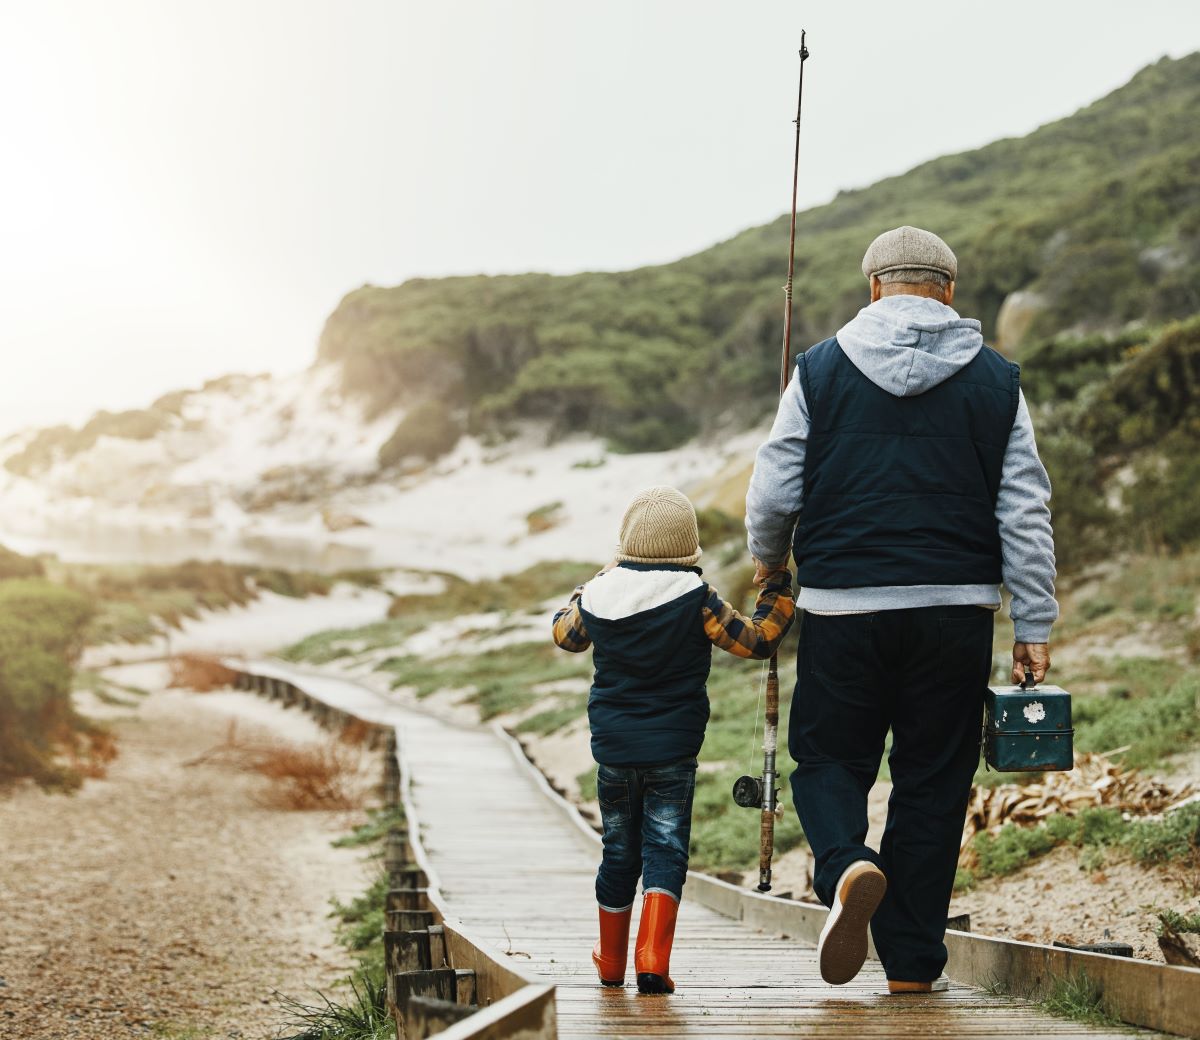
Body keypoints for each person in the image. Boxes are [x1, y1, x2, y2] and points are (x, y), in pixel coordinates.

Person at [745, 226, 1058, 993]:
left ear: (874, 287)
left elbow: (777, 482)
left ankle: (848, 865)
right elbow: (1025, 510)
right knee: (933, 780)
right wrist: (1035, 624)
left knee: (827, 758)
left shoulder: (818, 369)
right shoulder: (995, 380)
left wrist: (770, 557)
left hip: (844, 606)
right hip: (955, 612)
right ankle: (913, 966)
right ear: (947, 290)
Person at [552, 485, 795, 994]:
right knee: (665, 848)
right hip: (673, 751)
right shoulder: (696, 599)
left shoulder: (600, 594)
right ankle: (652, 959)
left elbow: (565, 635)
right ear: (688, 546)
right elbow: (756, 640)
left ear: (626, 541)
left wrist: (587, 588)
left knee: (618, 850)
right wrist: (777, 591)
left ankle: (611, 960)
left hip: (614, 752)